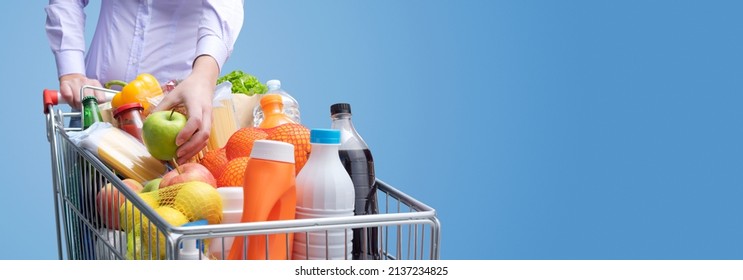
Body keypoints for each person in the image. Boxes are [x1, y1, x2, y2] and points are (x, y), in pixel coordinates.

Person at [45, 0, 244, 164]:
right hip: (94, 111)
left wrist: (203, 75)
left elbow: (225, 6)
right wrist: (71, 70)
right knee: (86, 205)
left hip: (170, 126)